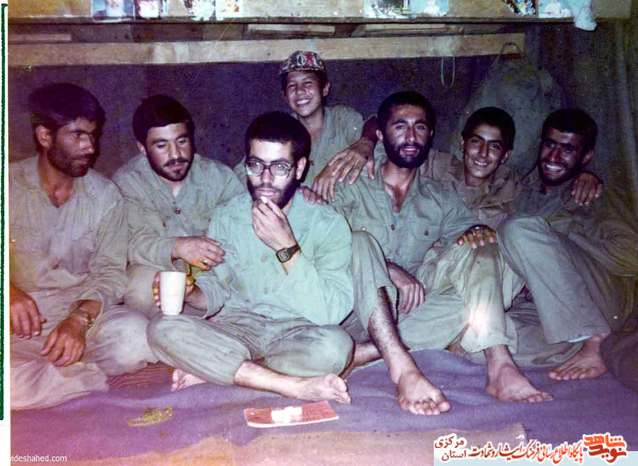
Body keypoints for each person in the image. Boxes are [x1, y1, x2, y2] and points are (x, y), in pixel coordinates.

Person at [332, 91, 553, 404]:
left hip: (412, 311)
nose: (411, 136)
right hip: (356, 311)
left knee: (486, 255)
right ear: (380, 135)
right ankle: (394, 355)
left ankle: (499, 364)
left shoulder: (441, 196)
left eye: (420, 127)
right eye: (400, 126)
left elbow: (472, 237)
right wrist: (390, 270)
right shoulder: (350, 182)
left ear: (430, 135)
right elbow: (328, 246)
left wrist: (478, 236)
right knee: (358, 240)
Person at [148, 111, 355, 403]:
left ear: (299, 169)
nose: (265, 179)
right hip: (237, 328)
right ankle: (289, 385)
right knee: (161, 328)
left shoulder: (328, 224)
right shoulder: (228, 215)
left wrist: (286, 247)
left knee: (335, 349)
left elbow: (330, 313)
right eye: (256, 165)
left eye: (279, 167)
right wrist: (192, 294)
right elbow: (218, 288)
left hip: (297, 330)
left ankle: (225, 369)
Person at [9, 83, 153, 410]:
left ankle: (49, 378)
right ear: (45, 136)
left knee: (137, 338)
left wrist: (78, 319)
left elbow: (110, 272)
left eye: (93, 134)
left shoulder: (106, 197)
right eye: (77, 135)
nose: (90, 146)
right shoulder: (8, 185)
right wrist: (10, 292)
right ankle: (86, 378)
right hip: (16, 324)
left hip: (82, 318)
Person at [497, 108, 638, 380]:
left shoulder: (595, 193)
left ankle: (596, 337)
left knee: (518, 229)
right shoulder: (523, 191)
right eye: (549, 145)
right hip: (551, 308)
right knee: (478, 337)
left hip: (599, 299)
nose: (554, 157)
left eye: (568, 149)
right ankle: (588, 348)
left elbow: (632, 256)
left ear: (586, 157)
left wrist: (559, 235)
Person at [113, 95, 244, 314]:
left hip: (214, 272)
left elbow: (240, 234)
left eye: (182, 141)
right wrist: (177, 247)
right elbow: (130, 243)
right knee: (139, 290)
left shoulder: (219, 177)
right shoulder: (128, 182)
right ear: (142, 148)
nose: (175, 154)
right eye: (161, 145)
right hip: (158, 268)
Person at [235, 50, 379, 201]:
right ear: (285, 96)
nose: (300, 91)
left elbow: (378, 123)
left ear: (325, 89)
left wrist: (365, 143)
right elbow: (242, 172)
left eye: (308, 83)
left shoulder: (342, 119)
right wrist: (293, 191)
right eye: (292, 85)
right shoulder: (280, 128)